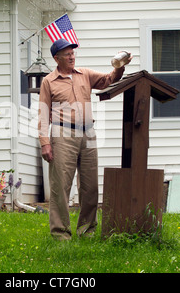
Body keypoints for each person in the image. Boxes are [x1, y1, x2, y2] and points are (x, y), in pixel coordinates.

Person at [38, 38, 133, 240]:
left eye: (73, 53)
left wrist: (119, 67)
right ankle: (61, 234)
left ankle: (87, 231)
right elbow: (43, 113)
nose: (72, 57)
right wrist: (45, 142)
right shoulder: (48, 81)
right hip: (62, 133)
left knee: (89, 185)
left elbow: (109, 80)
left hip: (88, 132)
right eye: (67, 54)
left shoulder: (85, 74)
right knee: (60, 186)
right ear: (57, 58)